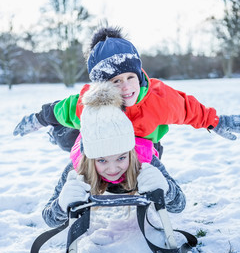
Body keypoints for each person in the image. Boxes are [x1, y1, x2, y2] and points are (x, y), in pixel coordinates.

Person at [13, 25, 240, 156]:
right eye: (115, 82)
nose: (126, 86)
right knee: (70, 134)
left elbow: (189, 109)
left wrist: (218, 121)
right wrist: (38, 119)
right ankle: (60, 142)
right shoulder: (90, 103)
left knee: (145, 158)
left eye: (130, 77)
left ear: (139, 75)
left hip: (144, 146)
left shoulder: (158, 98)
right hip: (104, 149)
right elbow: (60, 110)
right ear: (102, 86)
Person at [43, 81, 186, 228]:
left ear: (130, 153)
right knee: (66, 137)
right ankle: (54, 133)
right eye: (102, 160)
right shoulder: (79, 165)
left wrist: (166, 189)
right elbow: (49, 218)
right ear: (91, 160)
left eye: (121, 158)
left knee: (152, 142)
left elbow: (179, 205)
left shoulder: (145, 158)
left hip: (137, 148)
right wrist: (61, 205)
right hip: (77, 137)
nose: (112, 169)